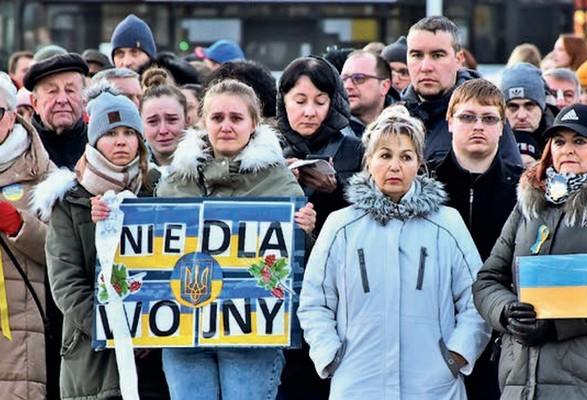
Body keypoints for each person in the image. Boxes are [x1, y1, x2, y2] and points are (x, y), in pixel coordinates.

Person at [298, 105, 490, 399]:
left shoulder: (446, 223)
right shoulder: (341, 226)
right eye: (385, 155)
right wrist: (332, 356)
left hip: (432, 385)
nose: (395, 166)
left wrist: (456, 356)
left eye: (406, 157)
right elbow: (315, 303)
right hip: (359, 383)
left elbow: (476, 299)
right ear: (369, 161)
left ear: (419, 163)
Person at [155, 78, 315, 400]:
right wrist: (109, 219)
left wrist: (306, 232)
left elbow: (300, 266)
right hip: (185, 334)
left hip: (251, 337)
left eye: (236, 118)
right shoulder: (175, 180)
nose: (226, 126)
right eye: (217, 118)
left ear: (254, 124)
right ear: (202, 122)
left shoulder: (280, 183)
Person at [473, 103, 587, 399]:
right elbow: (488, 280)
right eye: (559, 141)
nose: (567, 149)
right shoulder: (529, 205)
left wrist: (555, 324)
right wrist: (508, 312)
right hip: (521, 383)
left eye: (579, 141)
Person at [33, 86, 169, 400]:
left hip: (154, 364)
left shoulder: (161, 191)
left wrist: (153, 332)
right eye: (110, 133)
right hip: (92, 366)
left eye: (128, 132)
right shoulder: (70, 201)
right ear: (93, 141)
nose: (121, 141)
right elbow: (67, 284)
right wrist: (118, 332)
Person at [431, 79, 524, 400]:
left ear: (502, 127)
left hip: (504, 331)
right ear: (450, 122)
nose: (478, 127)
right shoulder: (424, 186)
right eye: (468, 117)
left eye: (489, 118)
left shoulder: (526, 190)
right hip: (435, 329)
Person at [401, 15, 521, 165]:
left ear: (458, 59)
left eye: (437, 55)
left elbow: (511, 179)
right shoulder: (396, 115)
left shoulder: (486, 110)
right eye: (417, 55)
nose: (426, 67)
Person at [0, 73, 54, 400]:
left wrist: (17, 224)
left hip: (19, 337)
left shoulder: (42, 172)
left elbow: (61, 252)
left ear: (12, 116)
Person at [277, 56, 363, 237]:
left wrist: (335, 191)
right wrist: (275, 180)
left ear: (333, 104)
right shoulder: (267, 150)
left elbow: (365, 221)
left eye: (320, 102)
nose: (309, 112)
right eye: (300, 101)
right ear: (283, 101)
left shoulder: (357, 151)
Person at [23, 52, 90, 169]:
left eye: (70, 90)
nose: (62, 100)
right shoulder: (19, 148)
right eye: (52, 92)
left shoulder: (98, 146)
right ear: (35, 103)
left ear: (84, 99)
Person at [140, 67, 190, 170]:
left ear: (187, 121)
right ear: (141, 125)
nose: (163, 130)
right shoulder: (129, 173)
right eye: (153, 121)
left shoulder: (209, 170)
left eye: (172, 120)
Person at [500, 62, 554, 156]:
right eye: (513, 106)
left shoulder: (562, 135)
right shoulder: (487, 139)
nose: (521, 116)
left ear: (542, 108)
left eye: (529, 106)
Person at [341, 50, 393, 137]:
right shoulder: (328, 134)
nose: (348, 86)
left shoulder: (407, 128)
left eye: (358, 78)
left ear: (384, 86)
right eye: (344, 79)